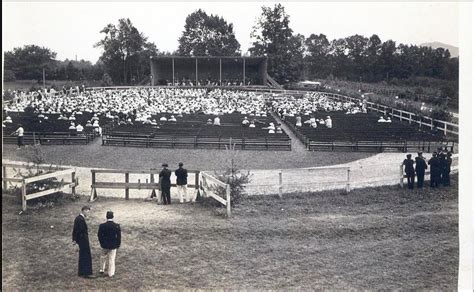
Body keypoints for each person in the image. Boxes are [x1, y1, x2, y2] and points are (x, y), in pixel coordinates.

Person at [72, 206, 95, 278]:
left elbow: (74, 231)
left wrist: (75, 240)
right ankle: (86, 273)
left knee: (82, 256)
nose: (88, 213)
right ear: (84, 210)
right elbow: (79, 231)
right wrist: (78, 240)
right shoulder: (81, 220)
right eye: (87, 211)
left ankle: (81, 272)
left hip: (81, 240)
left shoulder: (78, 218)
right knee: (86, 256)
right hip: (83, 240)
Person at [98, 211, 121, 278]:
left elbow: (99, 235)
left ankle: (102, 269)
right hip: (113, 245)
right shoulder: (116, 226)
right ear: (113, 217)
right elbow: (119, 236)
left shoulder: (102, 226)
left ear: (106, 217)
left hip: (104, 245)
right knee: (111, 259)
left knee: (102, 257)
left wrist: (101, 242)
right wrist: (118, 244)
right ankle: (111, 273)